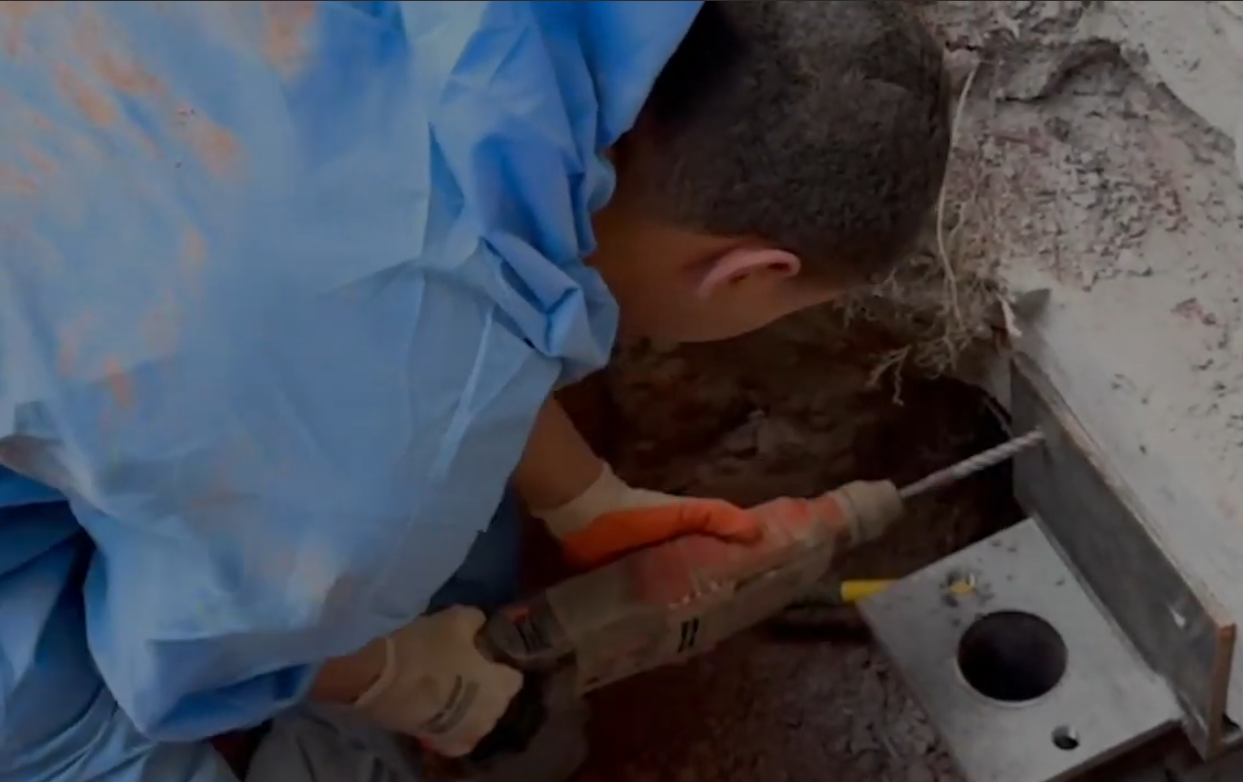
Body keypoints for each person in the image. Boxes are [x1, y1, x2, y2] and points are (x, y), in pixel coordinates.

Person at [0, 1, 951, 781]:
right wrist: (405, 681)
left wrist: (582, 497)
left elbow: (426, 243)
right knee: (89, 748)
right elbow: (179, 656)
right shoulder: (375, 467)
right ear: (746, 273)